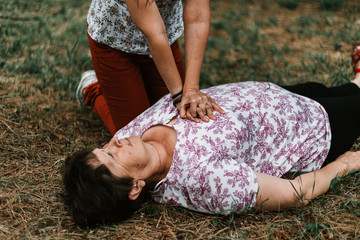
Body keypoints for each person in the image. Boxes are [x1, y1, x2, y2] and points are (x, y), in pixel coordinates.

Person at [63, 47, 360, 227]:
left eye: (104, 147)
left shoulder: (130, 136)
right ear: (134, 188)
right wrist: (345, 164)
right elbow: (296, 193)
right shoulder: (206, 180)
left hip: (279, 93)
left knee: (342, 90)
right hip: (312, 129)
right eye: (114, 156)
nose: (115, 141)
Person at [77, 0, 224, 135]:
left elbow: (198, 18)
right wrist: (179, 95)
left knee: (177, 123)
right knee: (137, 135)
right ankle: (92, 89)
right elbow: (154, 32)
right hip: (115, 41)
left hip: (164, 39)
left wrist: (191, 89)